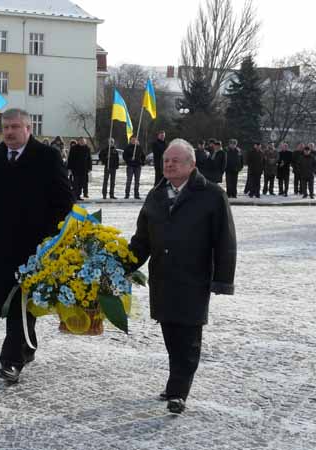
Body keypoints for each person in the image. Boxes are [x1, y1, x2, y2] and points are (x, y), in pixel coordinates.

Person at [128, 138, 236, 414]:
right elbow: (142, 240)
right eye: (166, 160)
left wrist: (223, 279)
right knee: (170, 332)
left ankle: (178, 391)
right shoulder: (156, 195)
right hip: (163, 277)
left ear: (192, 164)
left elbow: (225, 239)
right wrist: (123, 265)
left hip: (194, 277)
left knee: (188, 336)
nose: (169, 164)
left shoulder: (212, 194)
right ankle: (175, 381)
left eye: (176, 160)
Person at [0, 108, 73, 384]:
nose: (10, 132)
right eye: (6, 128)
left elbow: (64, 201)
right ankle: (26, 347)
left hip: (35, 246)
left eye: (15, 127)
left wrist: (55, 240)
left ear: (29, 128)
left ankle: (12, 360)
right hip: (0, 244)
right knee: (9, 302)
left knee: (21, 302)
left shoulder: (47, 157)